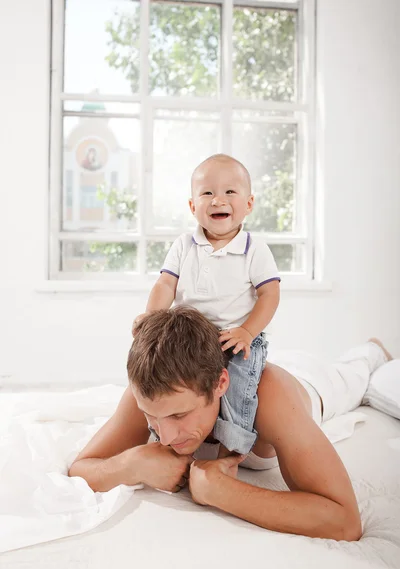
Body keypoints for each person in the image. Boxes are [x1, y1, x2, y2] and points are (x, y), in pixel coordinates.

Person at [69, 306, 393, 541]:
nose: (164, 436)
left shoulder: (271, 396)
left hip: (314, 385)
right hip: (242, 359)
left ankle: (372, 350)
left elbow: (344, 522)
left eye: (179, 416)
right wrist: (132, 463)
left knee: (355, 372)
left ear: (220, 384)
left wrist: (221, 491)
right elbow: (81, 467)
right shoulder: (154, 390)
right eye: (152, 417)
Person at [133, 154, 281, 457]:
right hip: (187, 341)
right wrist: (151, 317)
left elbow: (270, 295)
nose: (218, 200)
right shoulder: (184, 245)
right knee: (158, 379)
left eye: (230, 192)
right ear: (192, 206)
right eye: (207, 193)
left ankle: (231, 453)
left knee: (238, 389)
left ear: (249, 204)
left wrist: (247, 331)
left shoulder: (254, 249)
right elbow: (165, 285)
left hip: (233, 337)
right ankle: (162, 438)